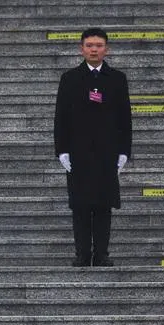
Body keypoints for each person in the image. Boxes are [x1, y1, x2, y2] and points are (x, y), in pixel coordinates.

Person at [54, 27, 132, 267]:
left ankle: (101, 254)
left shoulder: (117, 79)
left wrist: (124, 151)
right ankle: (82, 254)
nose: (94, 49)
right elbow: (61, 117)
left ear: (106, 49)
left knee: (103, 205)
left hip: (107, 152)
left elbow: (124, 117)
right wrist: (62, 150)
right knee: (80, 205)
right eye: (89, 45)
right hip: (78, 151)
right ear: (82, 49)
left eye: (99, 45)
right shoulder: (70, 78)